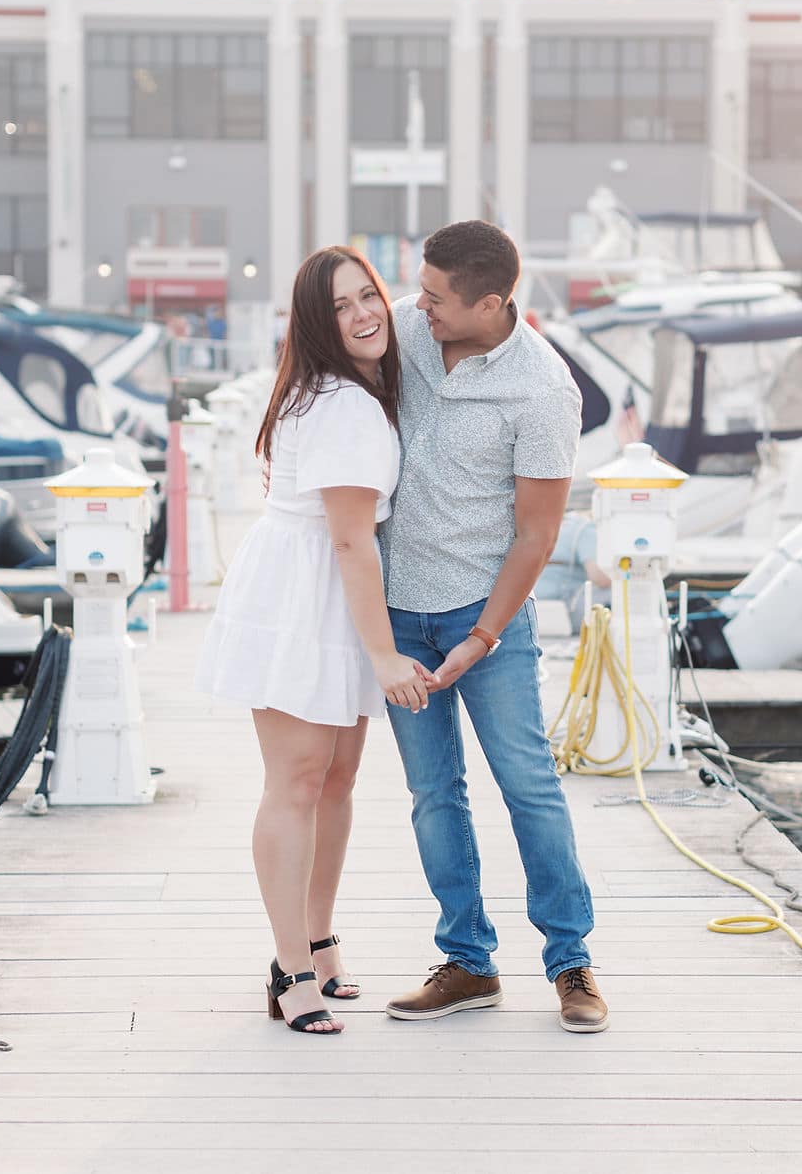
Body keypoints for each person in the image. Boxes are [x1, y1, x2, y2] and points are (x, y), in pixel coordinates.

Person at [193, 245, 432, 1034]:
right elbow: (350, 542)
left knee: (335, 780)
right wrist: (386, 655)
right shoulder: (340, 404)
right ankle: (289, 966)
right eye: (342, 306)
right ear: (315, 323)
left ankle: (320, 939)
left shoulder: (348, 390)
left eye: (370, 296)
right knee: (298, 781)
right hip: (306, 596)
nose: (365, 314)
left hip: (327, 594)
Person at [380, 219, 610, 1034]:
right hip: (396, 616)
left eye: (438, 296)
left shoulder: (544, 391)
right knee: (432, 792)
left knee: (528, 786)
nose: (420, 305)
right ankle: (468, 963)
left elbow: (537, 536)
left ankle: (571, 961)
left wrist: (481, 636)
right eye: (421, 288)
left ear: (493, 302)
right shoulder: (407, 329)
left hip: (489, 622)